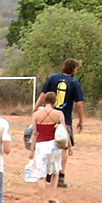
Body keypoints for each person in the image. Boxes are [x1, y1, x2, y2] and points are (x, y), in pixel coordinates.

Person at [42, 59, 84, 187]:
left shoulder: (53, 78)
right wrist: (81, 120)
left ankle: (49, 172)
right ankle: (60, 176)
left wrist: (36, 109)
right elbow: (79, 104)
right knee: (64, 147)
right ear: (73, 69)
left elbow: (42, 95)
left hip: (48, 117)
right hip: (64, 118)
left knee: (49, 143)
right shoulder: (74, 83)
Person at [23, 90, 64, 203]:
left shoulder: (36, 115)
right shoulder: (58, 114)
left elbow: (34, 133)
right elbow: (63, 130)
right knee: (55, 172)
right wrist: (69, 145)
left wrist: (31, 150)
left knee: (41, 175)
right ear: (54, 101)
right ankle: (52, 196)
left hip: (41, 146)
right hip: (54, 145)